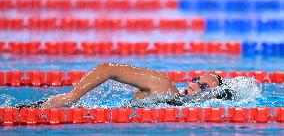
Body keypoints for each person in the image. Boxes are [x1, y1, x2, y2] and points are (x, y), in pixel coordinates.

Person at [16, 63, 233, 109]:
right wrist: (71, 96)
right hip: (66, 110)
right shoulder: (164, 85)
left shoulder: (182, 111)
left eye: (203, 87)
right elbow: (108, 68)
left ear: (211, 97)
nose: (195, 85)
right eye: (196, 80)